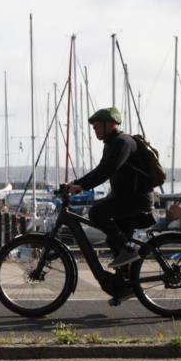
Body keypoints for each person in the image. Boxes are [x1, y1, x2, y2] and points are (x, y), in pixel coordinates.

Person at [68, 107, 154, 270]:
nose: (95, 130)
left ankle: (128, 252)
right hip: (125, 198)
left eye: (97, 126)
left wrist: (82, 186)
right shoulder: (112, 144)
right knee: (112, 240)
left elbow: (109, 169)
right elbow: (100, 169)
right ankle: (126, 282)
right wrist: (76, 183)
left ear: (111, 125)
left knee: (96, 212)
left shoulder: (123, 142)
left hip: (136, 199)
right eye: (93, 128)